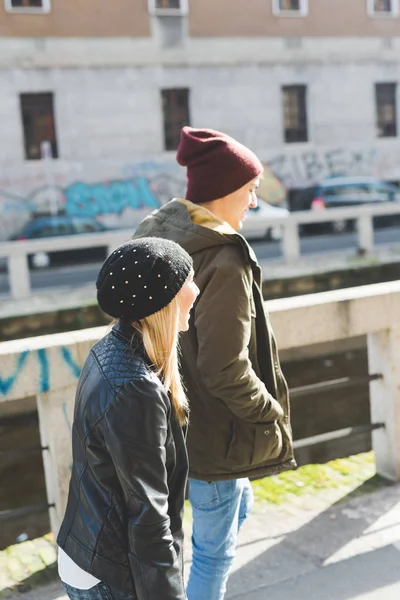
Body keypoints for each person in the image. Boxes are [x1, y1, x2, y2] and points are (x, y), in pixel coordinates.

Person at [134, 127, 296, 600]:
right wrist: (270, 410)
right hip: (215, 434)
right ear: (225, 190)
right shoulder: (224, 261)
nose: (253, 202)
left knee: (229, 511)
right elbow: (225, 367)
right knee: (214, 554)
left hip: (174, 422)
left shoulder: (162, 236)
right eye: (250, 191)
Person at [57, 237, 199, 600]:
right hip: (113, 572)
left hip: (89, 551)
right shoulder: (135, 389)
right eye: (186, 283)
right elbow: (147, 517)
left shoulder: (110, 350)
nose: (195, 292)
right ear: (159, 303)